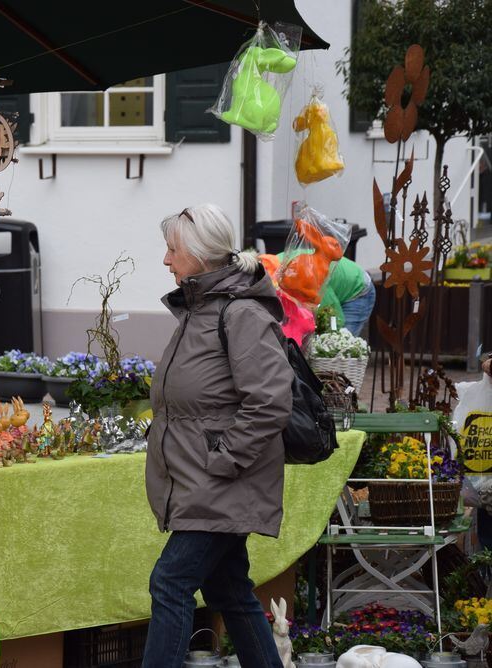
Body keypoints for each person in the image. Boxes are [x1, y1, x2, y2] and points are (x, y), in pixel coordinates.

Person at [142, 203, 293, 667]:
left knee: (170, 582)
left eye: (172, 250)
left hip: (220, 483)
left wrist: (222, 460)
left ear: (201, 254)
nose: (166, 260)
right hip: (202, 481)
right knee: (229, 589)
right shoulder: (198, 310)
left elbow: (270, 400)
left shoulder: (240, 313)